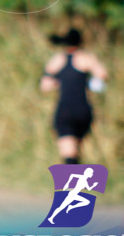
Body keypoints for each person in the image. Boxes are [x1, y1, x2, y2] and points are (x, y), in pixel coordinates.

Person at [41, 28, 109, 164]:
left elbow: (45, 86)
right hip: (84, 110)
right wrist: (87, 82)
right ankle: (76, 182)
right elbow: (102, 74)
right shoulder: (86, 58)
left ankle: (71, 183)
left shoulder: (58, 59)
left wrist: (59, 81)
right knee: (76, 150)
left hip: (65, 110)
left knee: (69, 154)